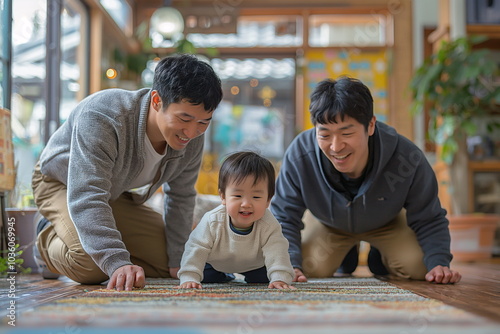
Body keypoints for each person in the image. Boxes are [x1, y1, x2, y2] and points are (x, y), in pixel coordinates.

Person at [31, 54, 223, 291]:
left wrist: (177, 260)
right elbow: (87, 194)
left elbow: (181, 196)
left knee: (179, 261)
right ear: (156, 100)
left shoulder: (193, 137)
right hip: (59, 182)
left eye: (204, 122)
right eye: (184, 118)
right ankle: (45, 242)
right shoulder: (103, 116)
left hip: (110, 193)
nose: (192, 132)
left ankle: (91, 238)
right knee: (93, 266)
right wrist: (117, 261)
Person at [270, 77, 461, 284]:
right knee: (304, 268)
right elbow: (285, 215)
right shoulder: (300, 154)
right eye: (325, 135)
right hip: (328, 223)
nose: (335, 147)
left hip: (387, 223)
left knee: (421, 268)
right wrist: (291, 264)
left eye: (347, 133)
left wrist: (439, 263)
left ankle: (378, 256)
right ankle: (346, 255)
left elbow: (429, 217)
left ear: (370, 125)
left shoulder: (407, 157)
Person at [177, 151, 295, 290]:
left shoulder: (269, 225)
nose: (246, 204)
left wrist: (280, 278)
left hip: (254, 264)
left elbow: (277, 251)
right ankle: (226, 276)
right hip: (217, 263)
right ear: (223, 197)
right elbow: (196, 247)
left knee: (263, 278)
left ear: (268, 200)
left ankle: (253, 275)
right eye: (238, 195)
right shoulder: (213, 221)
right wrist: (189, 277)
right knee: (206, 276)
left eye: (256, 197)